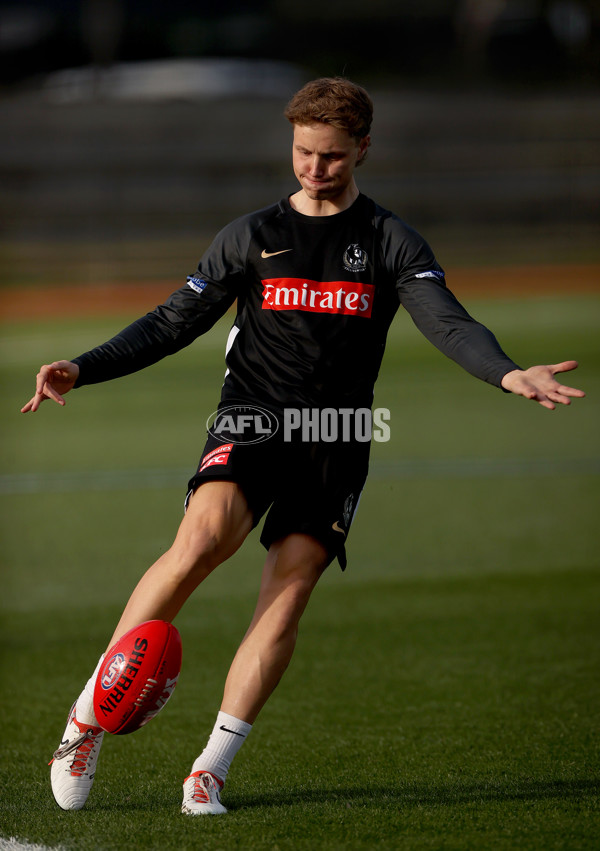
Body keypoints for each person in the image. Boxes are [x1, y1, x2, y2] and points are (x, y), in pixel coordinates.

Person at [22, 77, 584, 816]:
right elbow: (171, 323)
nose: (315, 168)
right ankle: (88, 717)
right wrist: (83, 367)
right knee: (201, 539)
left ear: (363, 150)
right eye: (303, 152)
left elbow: (447, 322)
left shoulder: (389, 240)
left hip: (338, 435)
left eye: (332, 157)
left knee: (286, 596)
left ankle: (209, 770)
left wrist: (506, 370)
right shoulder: (250, 236)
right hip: (252, 416)